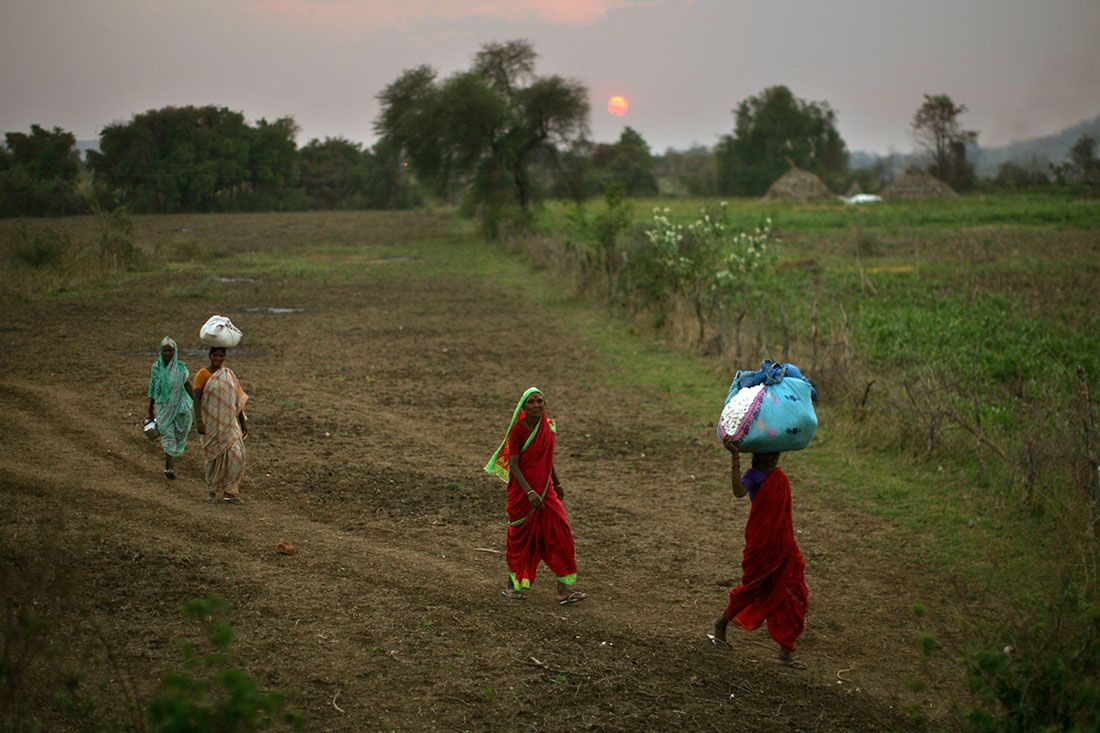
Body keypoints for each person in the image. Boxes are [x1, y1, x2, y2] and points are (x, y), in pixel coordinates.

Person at [708, 437, 809, 668]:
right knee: (752, 589)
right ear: (760, 453)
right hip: (762, 545)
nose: (775, 457)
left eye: (777, 453)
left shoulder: (780, 477)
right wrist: (734, 458)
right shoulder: (753, 476)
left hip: (783, 545)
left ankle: (785, 652)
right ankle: (721, 624)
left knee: (792, 591)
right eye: (770, 453)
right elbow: (738, 492)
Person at [484, 388, 586, 606]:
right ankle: (512, 586)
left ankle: (563, 591)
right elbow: (513, 464)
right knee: (521, 537)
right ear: (523, 407)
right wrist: (529, 491)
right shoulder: (518, 430)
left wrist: (556, 482)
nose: (537, 405)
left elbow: (547, 457)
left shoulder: (548, 426)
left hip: (545, 490)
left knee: (561, 531)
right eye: (532, 402)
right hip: (523, 493)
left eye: (540, 401)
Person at [193, 346, 249, 504]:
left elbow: (235, 401)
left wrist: (243, 422)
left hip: (230, 424)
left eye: (220, 356)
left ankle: (230, 492)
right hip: (210, 423)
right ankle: (211, 491)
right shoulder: (202, 374)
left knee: (236, 455)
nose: (217, 359)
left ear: (224, 357)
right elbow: (196, 399)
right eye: (214, 355)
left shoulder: (229, 375)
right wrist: (199, 421)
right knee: (213, 458)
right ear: (209, 356)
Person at [145, 337, 194, 480]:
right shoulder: (156, 368)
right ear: (161, 351)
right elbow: (153, 389)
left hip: (179, 407)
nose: (167, 354)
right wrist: (150, 409)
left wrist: (197, 402)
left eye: (170, 351)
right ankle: (169, 466)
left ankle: (169, 460)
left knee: (179, 433)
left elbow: (187, 386)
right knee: (168, 434)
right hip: (163, 408)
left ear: (175, 352)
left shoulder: (180, 368)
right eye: (165, 350)